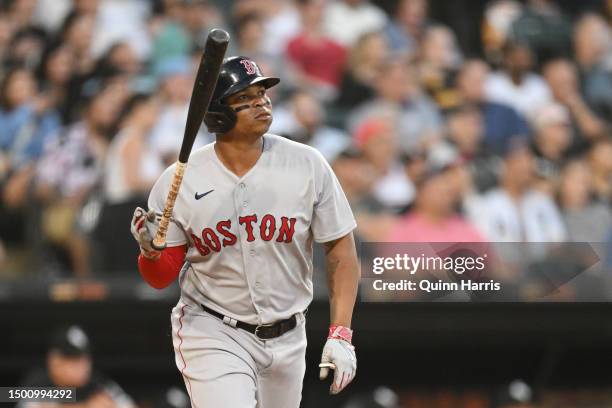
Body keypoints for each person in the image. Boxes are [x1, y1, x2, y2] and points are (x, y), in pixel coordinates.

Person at [130, 56, 359, 407]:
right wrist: (151, 252)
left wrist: (341, 332)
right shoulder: (180, 179)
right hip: (213, 328)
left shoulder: (307, 164)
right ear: (218, 113)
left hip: (289, 334)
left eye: (262, 93)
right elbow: (160, 277)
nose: (261, 102)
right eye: (244, 98)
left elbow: (340, 250)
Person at [19, 325, 135, 408]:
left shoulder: (98, 383)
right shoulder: (39, 382)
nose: (83, 365)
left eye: (84, 358)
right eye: (74, 359)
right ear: (54, 361)